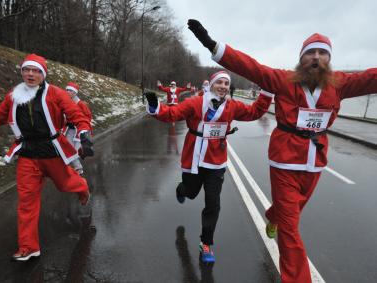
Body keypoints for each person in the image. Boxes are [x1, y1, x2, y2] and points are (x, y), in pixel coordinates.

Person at [188, 19, 377, 282]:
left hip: (315, 162)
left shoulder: (340, 83)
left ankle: (272, 215)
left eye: (322, 53)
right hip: (284, 161)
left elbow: (371, 78)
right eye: (311, 52)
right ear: (302, 57)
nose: (316, 57)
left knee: (292, 212)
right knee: (290, 230)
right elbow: (250, 67)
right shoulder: (283, 80)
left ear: (329, 59)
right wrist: (212, 44)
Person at [0, 54, 94, 262]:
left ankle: (82, 187)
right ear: (22, 72)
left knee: (66, 185)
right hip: (27, 154)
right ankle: (28, 247)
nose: (30, 74)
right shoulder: (13, 96)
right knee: (27, 202)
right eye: (27, 70)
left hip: (52, 151)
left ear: (43, 74)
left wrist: (84, 134)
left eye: (36, 70)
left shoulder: (56, 94)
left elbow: (77, 116)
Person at [145, 71, 273, 264]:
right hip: (194, 158)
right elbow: (173, 113)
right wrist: (155, 108)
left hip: (216, 161)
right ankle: (182, 188)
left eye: (226, 83)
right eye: (219, 82)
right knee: (191, 193)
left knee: (213, 204)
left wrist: (267, 94)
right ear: (212, 85)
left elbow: (254, 112)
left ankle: (206, 243)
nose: (222, 86)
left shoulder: (232, 106)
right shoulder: (196, 102)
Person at [63, 82, 94, 175]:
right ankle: (73, 167)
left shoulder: (81, 104)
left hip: (79, 130)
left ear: (75, 93)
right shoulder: (64, 102)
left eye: (71, 91)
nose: (68, 92)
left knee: (74, 151)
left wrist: (83, 126)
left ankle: (78, 168)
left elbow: (88, 116)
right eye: (67, 90)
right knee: (68, 148)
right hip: (70, 130)